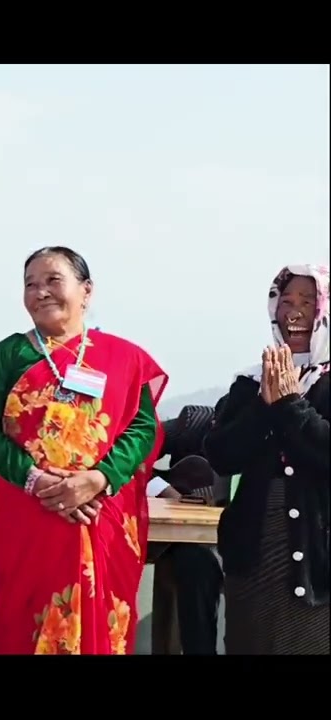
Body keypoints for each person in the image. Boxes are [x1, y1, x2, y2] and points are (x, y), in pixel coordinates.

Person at [0, 246, 167, 655]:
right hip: (28, 513)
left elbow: (144, 427)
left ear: (86, 290)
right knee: (24, 626)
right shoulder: (8, 355)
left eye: (53, 280)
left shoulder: (125, 358)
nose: (40, 292)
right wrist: (36, 479)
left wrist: (99, 478)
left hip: (102, 512)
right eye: (30, 284)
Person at [203, 262, 329, 654]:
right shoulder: (252, 380)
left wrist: (292, 403)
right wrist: (263, 404)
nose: (294, 312)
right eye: (285, 301)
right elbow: (220, 454)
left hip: (320, 549)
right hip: (257, 551)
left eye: (308, 301)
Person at [145, 404, 225, 655]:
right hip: (183, 541)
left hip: (243, 536)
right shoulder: (194, 419)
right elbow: (136, 451)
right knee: (196, 561)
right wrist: (167, 491)